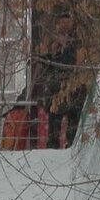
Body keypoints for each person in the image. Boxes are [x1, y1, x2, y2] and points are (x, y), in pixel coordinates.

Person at [33, 13, 85, 149]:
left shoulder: (76, 43)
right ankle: (55, 146)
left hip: (72, 90)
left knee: (71, 122)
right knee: (55, 123)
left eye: (65, 23)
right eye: (60, 24)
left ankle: (69, 146)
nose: (61, 27)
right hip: (57, 91)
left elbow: (67, 63)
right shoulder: (55, 44)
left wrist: (49, 61)